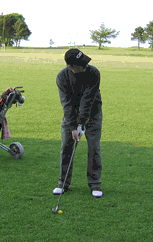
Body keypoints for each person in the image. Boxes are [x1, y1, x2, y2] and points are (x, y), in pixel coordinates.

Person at [53, 48, 103, 198]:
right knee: (66, 147)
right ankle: (63, 184)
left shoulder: (94, 73)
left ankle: (95, 184)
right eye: (82, 63)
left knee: (94, 148)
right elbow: (66, 105)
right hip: (71, 116)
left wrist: (81, 124)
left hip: (93, 114)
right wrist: (74, 126)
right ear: (71, 67)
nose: (86, 65)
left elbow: (87, 100)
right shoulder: (62, 77)